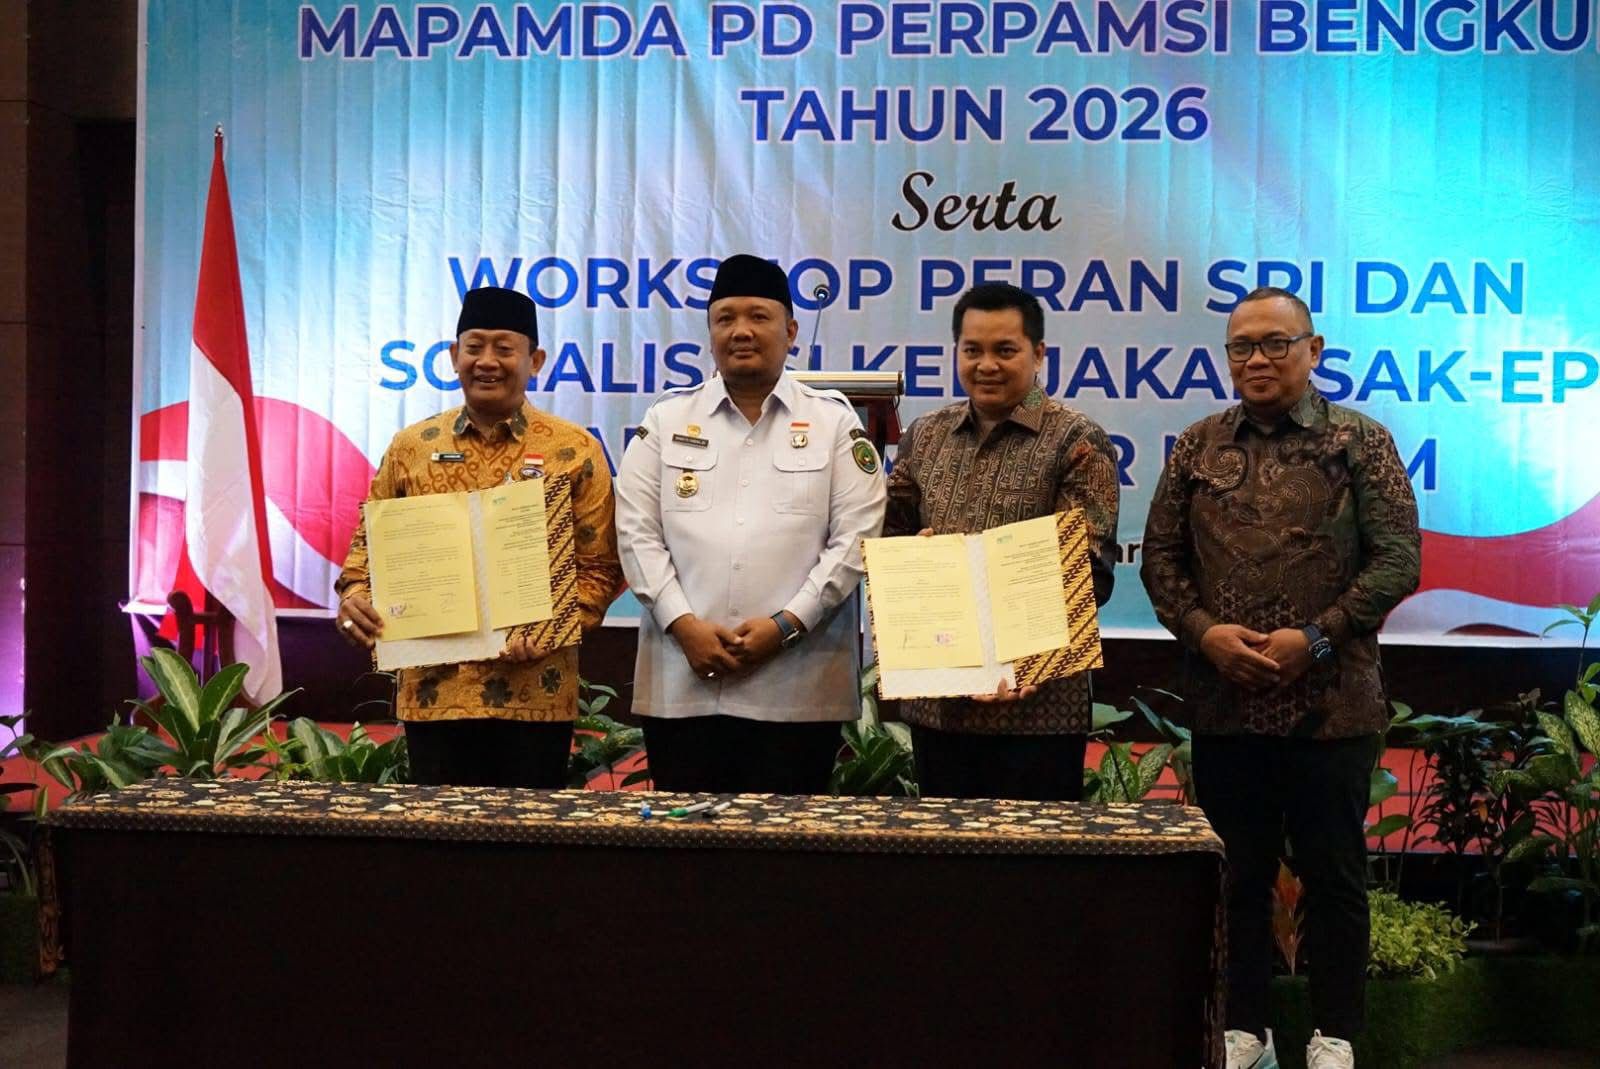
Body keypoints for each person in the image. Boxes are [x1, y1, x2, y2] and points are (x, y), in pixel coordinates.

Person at [1141, 286, 1421, 1069]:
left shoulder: (1359, 441)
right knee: (1236, 876)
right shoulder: (1197, 445)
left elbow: (1398, 558)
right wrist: (1205, 633)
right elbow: (1160, 559)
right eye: (1242, 346)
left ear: (1313, 349)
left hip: (1331, 706)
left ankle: (1336, 1033)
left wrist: (1317, 639)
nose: (1257, 359)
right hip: (1226, 702)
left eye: (1275, 343)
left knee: (1335, 878)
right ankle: (1245, 1030)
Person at [615, 254, 886, 794]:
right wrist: (684, 626)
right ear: (710, 333)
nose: (741, 331)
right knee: (687, 841)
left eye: (759, 317)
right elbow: (635, 532)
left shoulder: (834, 422)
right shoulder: (666, 420)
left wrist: (786, 626)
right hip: (683, 680)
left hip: (799, 688)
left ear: (791, 331)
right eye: (725, 318)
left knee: (786, 844)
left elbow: (856, 539)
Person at [335, 286, 623, 788]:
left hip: (536, 694)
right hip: (434, 694)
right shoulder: (411, 447)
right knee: (440, 833)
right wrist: (354, 600)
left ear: (535, 361)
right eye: (474, 347)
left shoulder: (575, 449)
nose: (487, 361)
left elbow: (600, 567)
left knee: (526, 833)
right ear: (453, 357)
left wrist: (551, 628)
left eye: (504, 349)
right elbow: (366, 556)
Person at [883, 282, 1119, 801]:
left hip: (1039, 710)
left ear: (1038, 353)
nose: (986, 364)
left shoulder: (1076, 439)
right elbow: (890, 539)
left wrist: (1022, 664)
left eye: (1005, 350)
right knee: (947, 848)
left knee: (1033, 851)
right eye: (973, 350)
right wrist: (913, 558)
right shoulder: (926, 434)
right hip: (940, 703)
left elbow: (1088, 569)